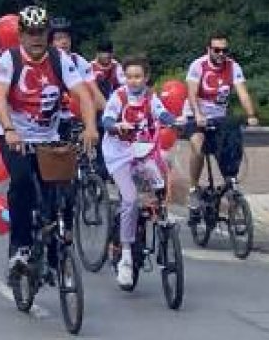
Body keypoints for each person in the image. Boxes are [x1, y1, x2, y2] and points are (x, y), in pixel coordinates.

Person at [0, 5, 98, 281]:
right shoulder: (9, 60)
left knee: (61, 194)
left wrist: (90, 127)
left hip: (48, 138)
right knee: (23, 182)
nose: (36, 38)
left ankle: (55, 257)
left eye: (41, 32)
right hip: (16, 138)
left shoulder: (59, 59)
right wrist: (9, 128)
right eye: (31, 33)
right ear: (21, 35)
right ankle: (21, 247)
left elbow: (83, 95)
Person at [100, 56, 176, 289]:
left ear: (146, 77)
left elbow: (162, 113)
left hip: (143, 152)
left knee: (161, 185)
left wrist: (174, 121)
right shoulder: (119, 96)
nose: (133, 81)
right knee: (131, 199)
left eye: (138, 76)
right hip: (120, 155)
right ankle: (125, 256)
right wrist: (115, 126)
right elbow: (107, 118)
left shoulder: (151, 97)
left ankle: (163, 224)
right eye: (129, 76)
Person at [185, 32, 258, 220]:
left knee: (230, 149)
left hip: (219, 118)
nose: (221, 54)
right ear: (209, 50)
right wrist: (198, 114)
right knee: (199, 147)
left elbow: (242, 92)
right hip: (196, 116)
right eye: (216, 50)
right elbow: (192, 94)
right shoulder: (198, 65)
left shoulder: (233, 67)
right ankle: (193, 188)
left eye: (224, 50)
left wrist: (251, 115)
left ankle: (231, 190)